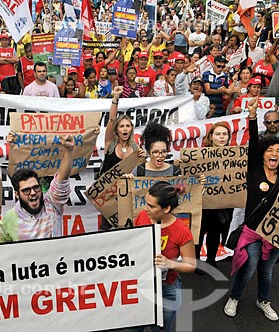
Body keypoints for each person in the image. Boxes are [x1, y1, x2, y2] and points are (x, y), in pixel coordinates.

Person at [224, 97, 279, 322]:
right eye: (270, 150)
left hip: (274, 237)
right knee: (249, 267)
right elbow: (252, 141)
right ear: (263, 153)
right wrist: (252, 116)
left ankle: (263, 300)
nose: (274, 154)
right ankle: (235, 297)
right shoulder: (254, 172)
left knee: (267, 272)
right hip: (252, 233)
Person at [134, 181, 196, 332]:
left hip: (167, 288)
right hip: (141, 283)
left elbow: (191, 266)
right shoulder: (142, 216)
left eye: (151, 206)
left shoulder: (182, 231)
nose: (145, 208)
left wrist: (170, 264)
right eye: (146, 203)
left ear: (166, 208)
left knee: (161, 328)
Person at [0, 134, 74, 242]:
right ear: (16, 194)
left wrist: (69, 150)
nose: (33, 193)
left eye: (36, 187)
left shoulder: (51, 204)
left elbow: (61, 180)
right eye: (26, 190)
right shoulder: (8, 219)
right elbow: (6, 253)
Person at [98, 86, 141, 230]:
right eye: (122, 126)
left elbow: (141, 174)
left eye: (128, 126)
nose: (125, 129)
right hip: (108, 197)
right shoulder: (110, 144)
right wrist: (115, 99)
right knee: (105, 229)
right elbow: (111, 119)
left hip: (127, 196)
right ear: (117, 129)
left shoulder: (136, 148)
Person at [195, 123, 233, 268]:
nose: (221, 137)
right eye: (218, 134)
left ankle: (211, 259)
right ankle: (197, 260)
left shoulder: (235, 155)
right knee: (200, 230)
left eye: (224, 134)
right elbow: (191, 174)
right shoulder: (201, 155)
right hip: (204, 200)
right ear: (211, 137)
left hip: (224, 201)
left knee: (216, 230)